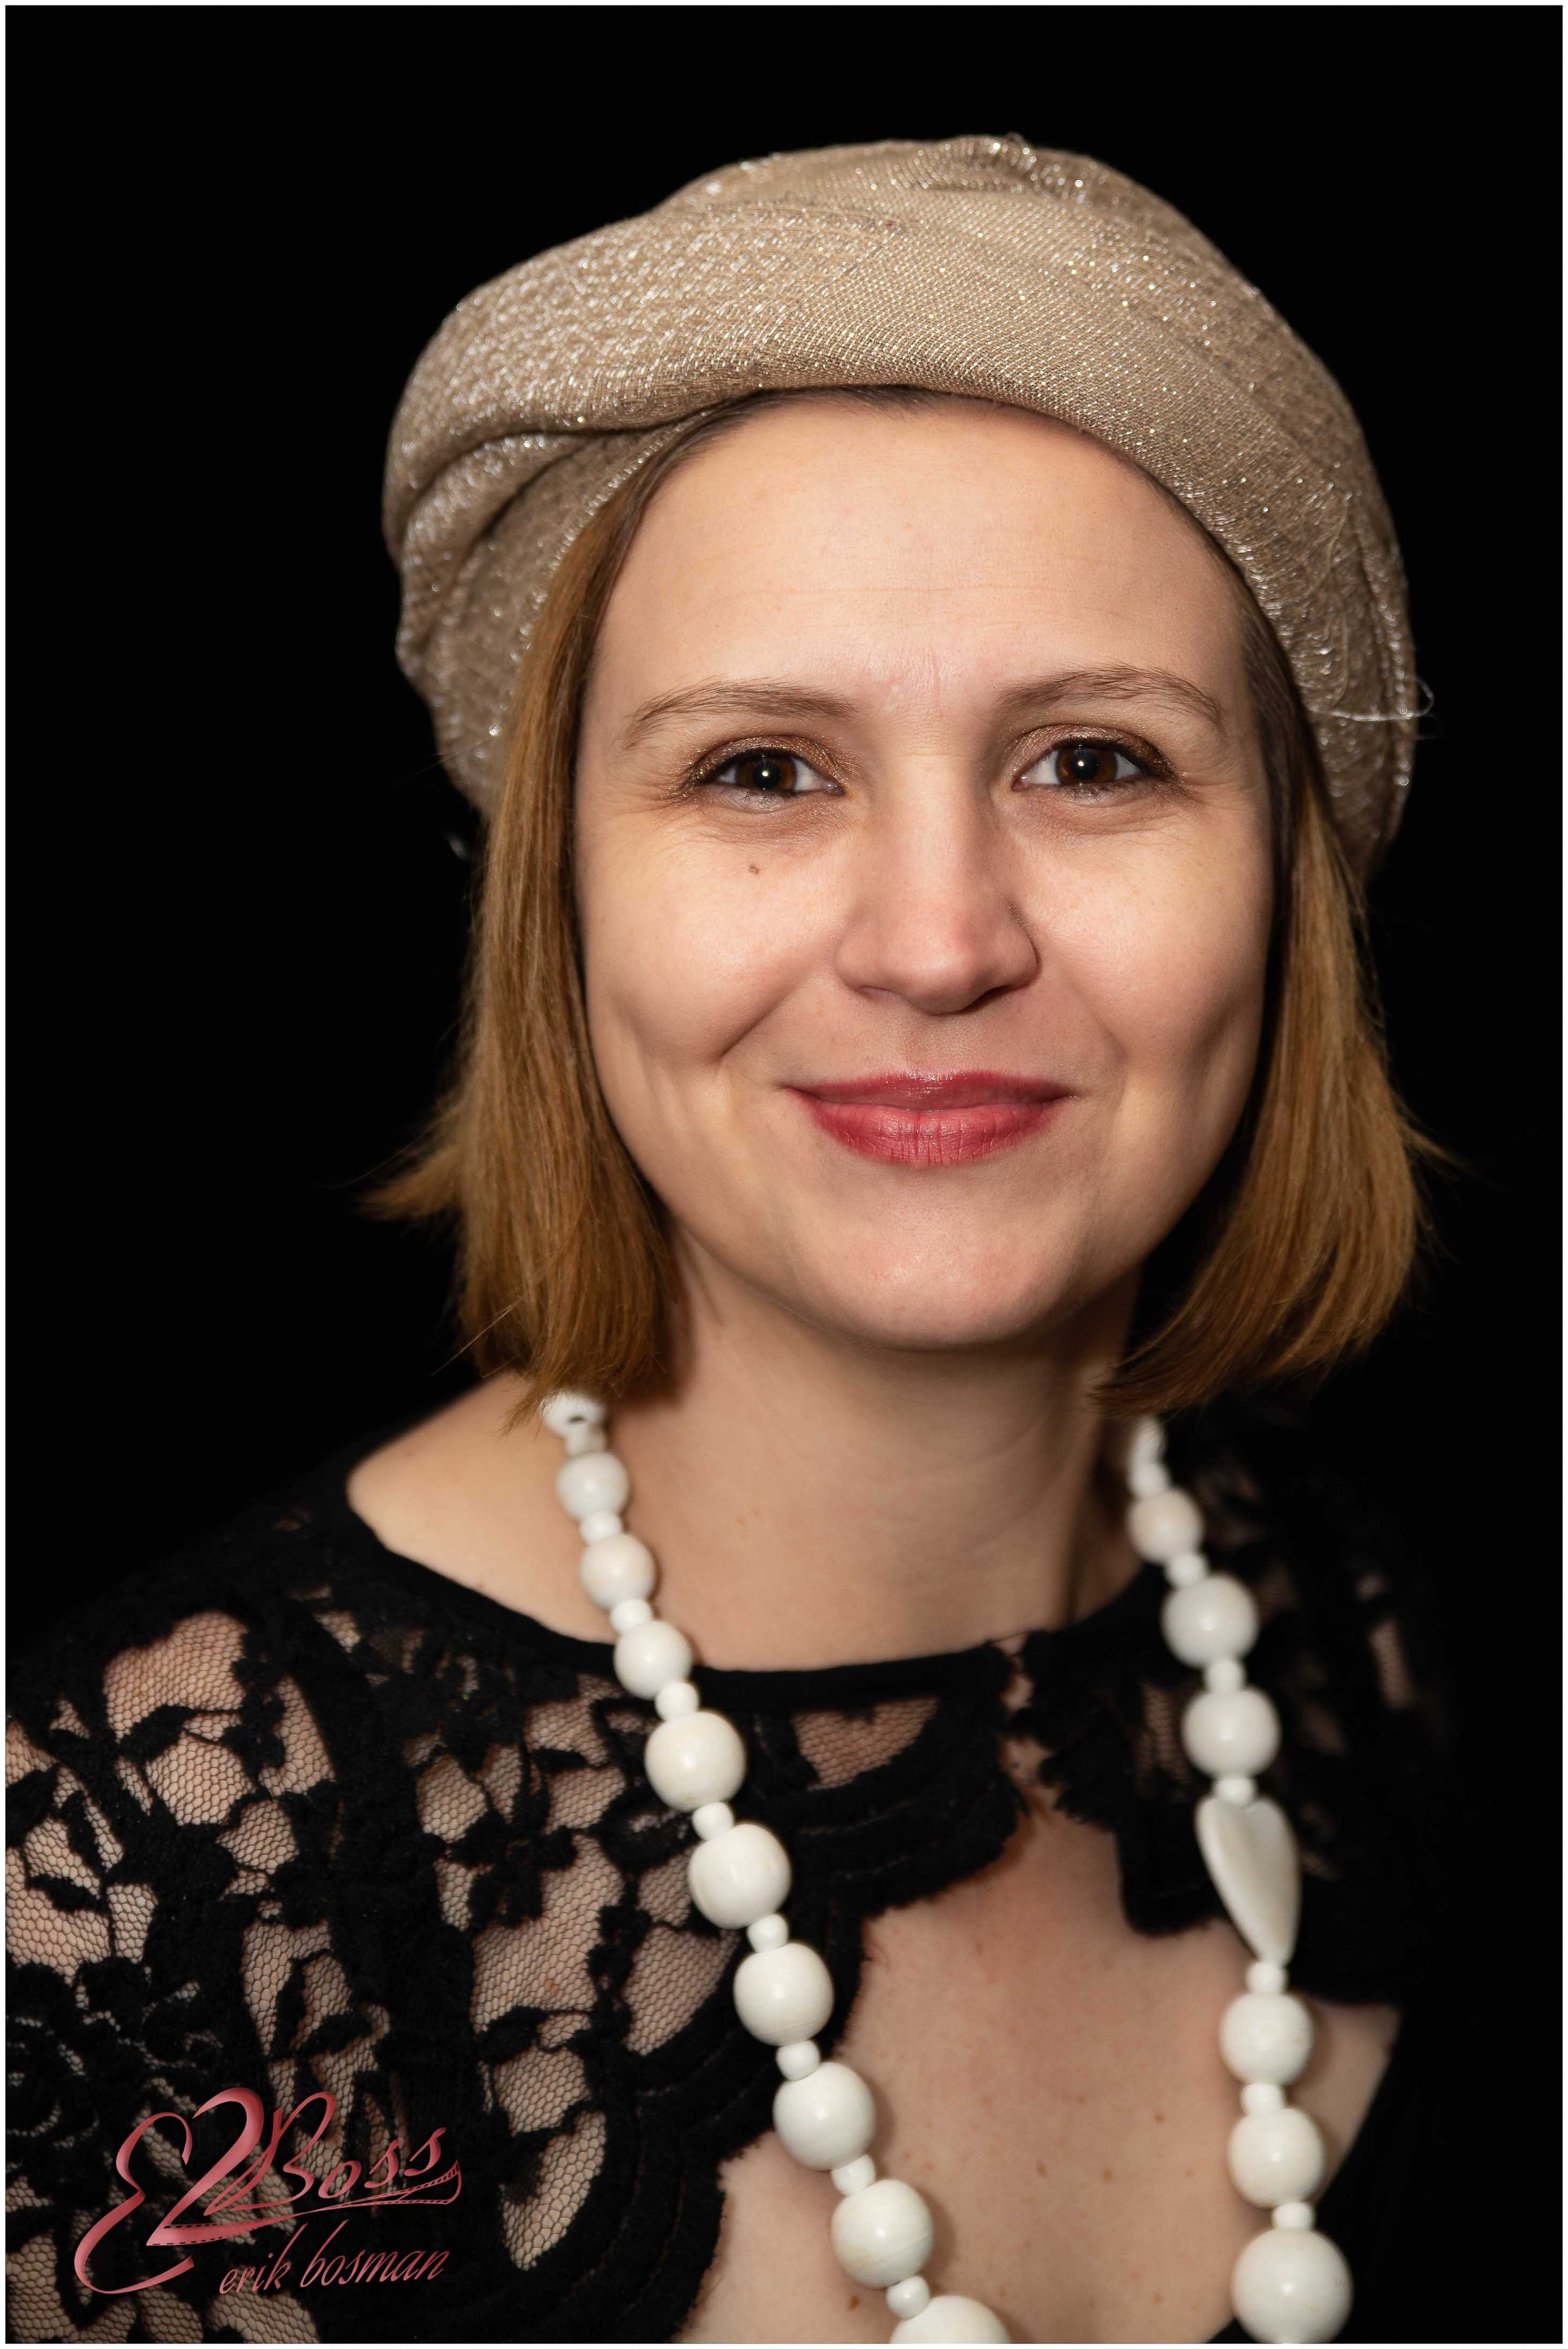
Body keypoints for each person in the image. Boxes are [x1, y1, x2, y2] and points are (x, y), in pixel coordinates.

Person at [9, 139, 1453, 2345]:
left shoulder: (1417, 1659)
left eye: (1091, 760)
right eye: (763, 771)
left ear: (1289, 881)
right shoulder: (126, 1894)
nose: (939, 942)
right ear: (559, 894)